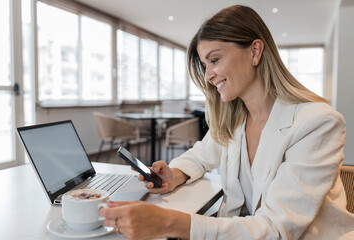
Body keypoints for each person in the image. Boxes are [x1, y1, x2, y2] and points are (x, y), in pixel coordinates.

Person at [100, 5, 354, 239]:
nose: (209, 75)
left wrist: (169, 222)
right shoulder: (235, 118)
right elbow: (201, 156)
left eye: (215, 60)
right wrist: (174, 174)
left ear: (255, 51)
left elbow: (277, 229)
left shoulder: (317, 123)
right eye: (204, 64)